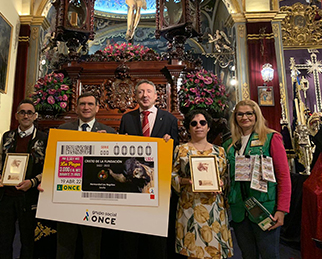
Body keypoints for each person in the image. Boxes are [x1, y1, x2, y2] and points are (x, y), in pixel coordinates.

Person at [118, 79, 179, 259]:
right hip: (133, 187)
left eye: (149, 92)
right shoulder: (126, 118)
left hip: (158, 187)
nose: (145, 95)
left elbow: (175, 153)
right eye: (141, 92)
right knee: (131, 237)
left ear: (156, 95)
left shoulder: (169, 119)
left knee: (156, 238)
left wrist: (170, 144)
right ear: (135, 96)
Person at [224, 99, 291, 259]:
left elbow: (283, 176)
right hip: (239, 210)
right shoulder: (229, 145)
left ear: (256, 115)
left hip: (265, 209)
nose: (244, 117)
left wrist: (282, 209)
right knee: (248, 255)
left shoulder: (270, 138)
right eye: (240, 114)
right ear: (235, 118)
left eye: (249, 113)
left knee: (270, 255)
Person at [57, 92, 117, 259]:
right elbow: (53, 161)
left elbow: (113, 167)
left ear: (97, 108)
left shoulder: (110, 133)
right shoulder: (63, 130)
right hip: (67, 194)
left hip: (94, 198)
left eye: (90, 104)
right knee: (65, 244)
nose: (86, 107)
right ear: (76, 108)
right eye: (82, 104)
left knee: (92, 246)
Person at [171, 109, 233, 258]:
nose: (198, 126)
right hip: (190, 206)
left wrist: (221, 183)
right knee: (191, 251)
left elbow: (226, 177)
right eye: (194, 123)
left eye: (202, 122)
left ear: (208, 127)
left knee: (215, 251)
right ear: (189, 128)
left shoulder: (220, 151)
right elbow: (172, 176)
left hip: (214, 207)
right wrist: (187, 181)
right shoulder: (181, 150)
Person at [0, 99, 50, 259]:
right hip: (7, 196)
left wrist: (32, 182)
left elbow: (48, 168)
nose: (26, 115)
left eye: (29, 112)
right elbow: (0, 161)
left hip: (30, 197)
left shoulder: (44, 138)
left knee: (28, 240)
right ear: (16, 116)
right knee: (4, 239)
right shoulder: (7, 136)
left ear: (35, 116)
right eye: (22, 112)